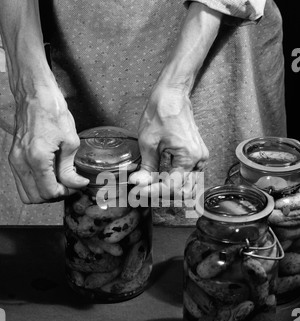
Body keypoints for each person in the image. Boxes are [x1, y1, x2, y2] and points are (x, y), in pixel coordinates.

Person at [0, 0, 286, 225]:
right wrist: (31, 89)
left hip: (215, 30)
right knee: (58, 242)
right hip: (40, 42)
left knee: (214, 237)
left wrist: (177, 85)